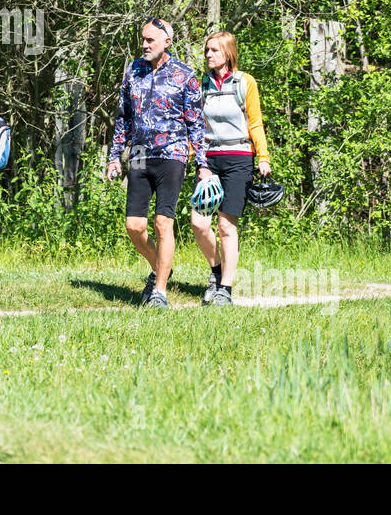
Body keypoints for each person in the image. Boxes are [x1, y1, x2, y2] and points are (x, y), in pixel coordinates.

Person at [105, 18, 209, 309]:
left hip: (172, 154)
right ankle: (160, 267)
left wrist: (202, 163)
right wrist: (115, 156)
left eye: (151, 40)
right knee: (134, 226)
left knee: (164, 223)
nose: (145, 44)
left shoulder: (185, 74)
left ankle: (160, 292)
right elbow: (123, 115)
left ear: (167, 42)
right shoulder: (133, 70)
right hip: (138, 153)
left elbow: (196, 123)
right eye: (143, 39)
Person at [189, 31, 272, 306]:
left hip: (239, 158)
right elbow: (195, 125)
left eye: (214, 50)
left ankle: (225, 288)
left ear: (228, 53)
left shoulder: (245, 82)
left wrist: (263, 157)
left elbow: (255, 121)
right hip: (210, 159)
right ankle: (216, 271)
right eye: (207, 50)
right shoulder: (200, 84)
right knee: (199, 223)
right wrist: (197, 160)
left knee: (226, 226)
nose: (208, 55)